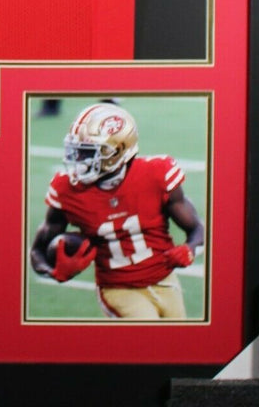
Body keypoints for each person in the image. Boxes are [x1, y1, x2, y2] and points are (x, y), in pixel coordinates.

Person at [29, 101, 204, 319]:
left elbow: (197, 228)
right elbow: (37, 251)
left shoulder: (156, 175)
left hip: (165, 281)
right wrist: (53, 271)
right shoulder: (66, 190)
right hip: (118, 289)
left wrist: (189, 248)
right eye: (77, 152)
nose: (79, 161)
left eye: (89, 153)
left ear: (118, 151)